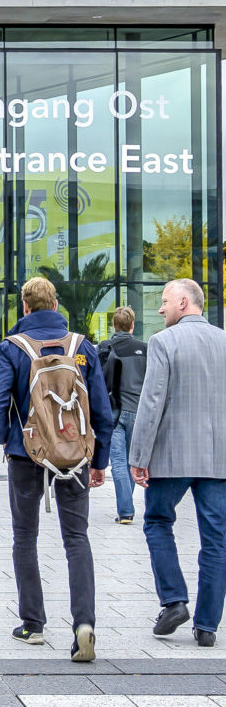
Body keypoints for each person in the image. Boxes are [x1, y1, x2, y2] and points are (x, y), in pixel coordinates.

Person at [0, 275, 113, 661]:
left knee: (25, 536)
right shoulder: (81, 347)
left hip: (27, 453)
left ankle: (33, 625)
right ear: (55, 305)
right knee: (77, 539)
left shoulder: (12, 347)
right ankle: (84, 624)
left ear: (24, 308)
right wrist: (99, 461)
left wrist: (9, 438)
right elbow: (102, 410)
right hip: (74, 453)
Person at [128, 278, 226, 648]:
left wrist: (138, 457)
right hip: (218, 459)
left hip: (171, 456)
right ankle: (207, 626)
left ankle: (173, 601)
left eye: (165, 301)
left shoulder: (163, 342)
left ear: (184, 301)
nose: (160, 308)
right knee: (217, 540)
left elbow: (151, 403)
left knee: (156, 521)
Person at [102, 306, 148, 525]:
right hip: (139, 414)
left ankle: (126, 511)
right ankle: (126, 507)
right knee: (131, 461)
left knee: (118, 462)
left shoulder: (105, 348)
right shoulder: (145, 349)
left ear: (114, 325)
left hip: (114, 413)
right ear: (132, 325)